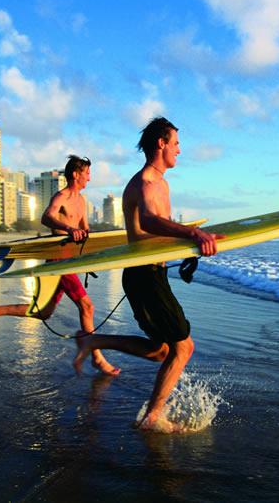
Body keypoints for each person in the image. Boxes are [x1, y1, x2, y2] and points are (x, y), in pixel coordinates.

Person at [73, 117, 223, 432]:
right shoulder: (146, 183)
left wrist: (193, 241)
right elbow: (151, 222)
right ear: (161, 143)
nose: (180, 151)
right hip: (144, 276)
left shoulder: (161, 182)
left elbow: (159, 233)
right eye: (177, 144)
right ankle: (153, 417)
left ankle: (93, 341)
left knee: (161, 351)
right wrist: (194, 233)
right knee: (184, 347)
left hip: (151, 274)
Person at [0, 155, 120, 377]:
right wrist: (69, 230)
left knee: (43, 312)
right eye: (87, 173)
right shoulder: (61, 196)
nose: (90, 177)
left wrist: (95, 251)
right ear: (75, 174)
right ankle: (98, 358)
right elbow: (47, 217)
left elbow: (85, 231)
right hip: (58, 259)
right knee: (87, 307)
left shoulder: (81, 201)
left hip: (70, 260)